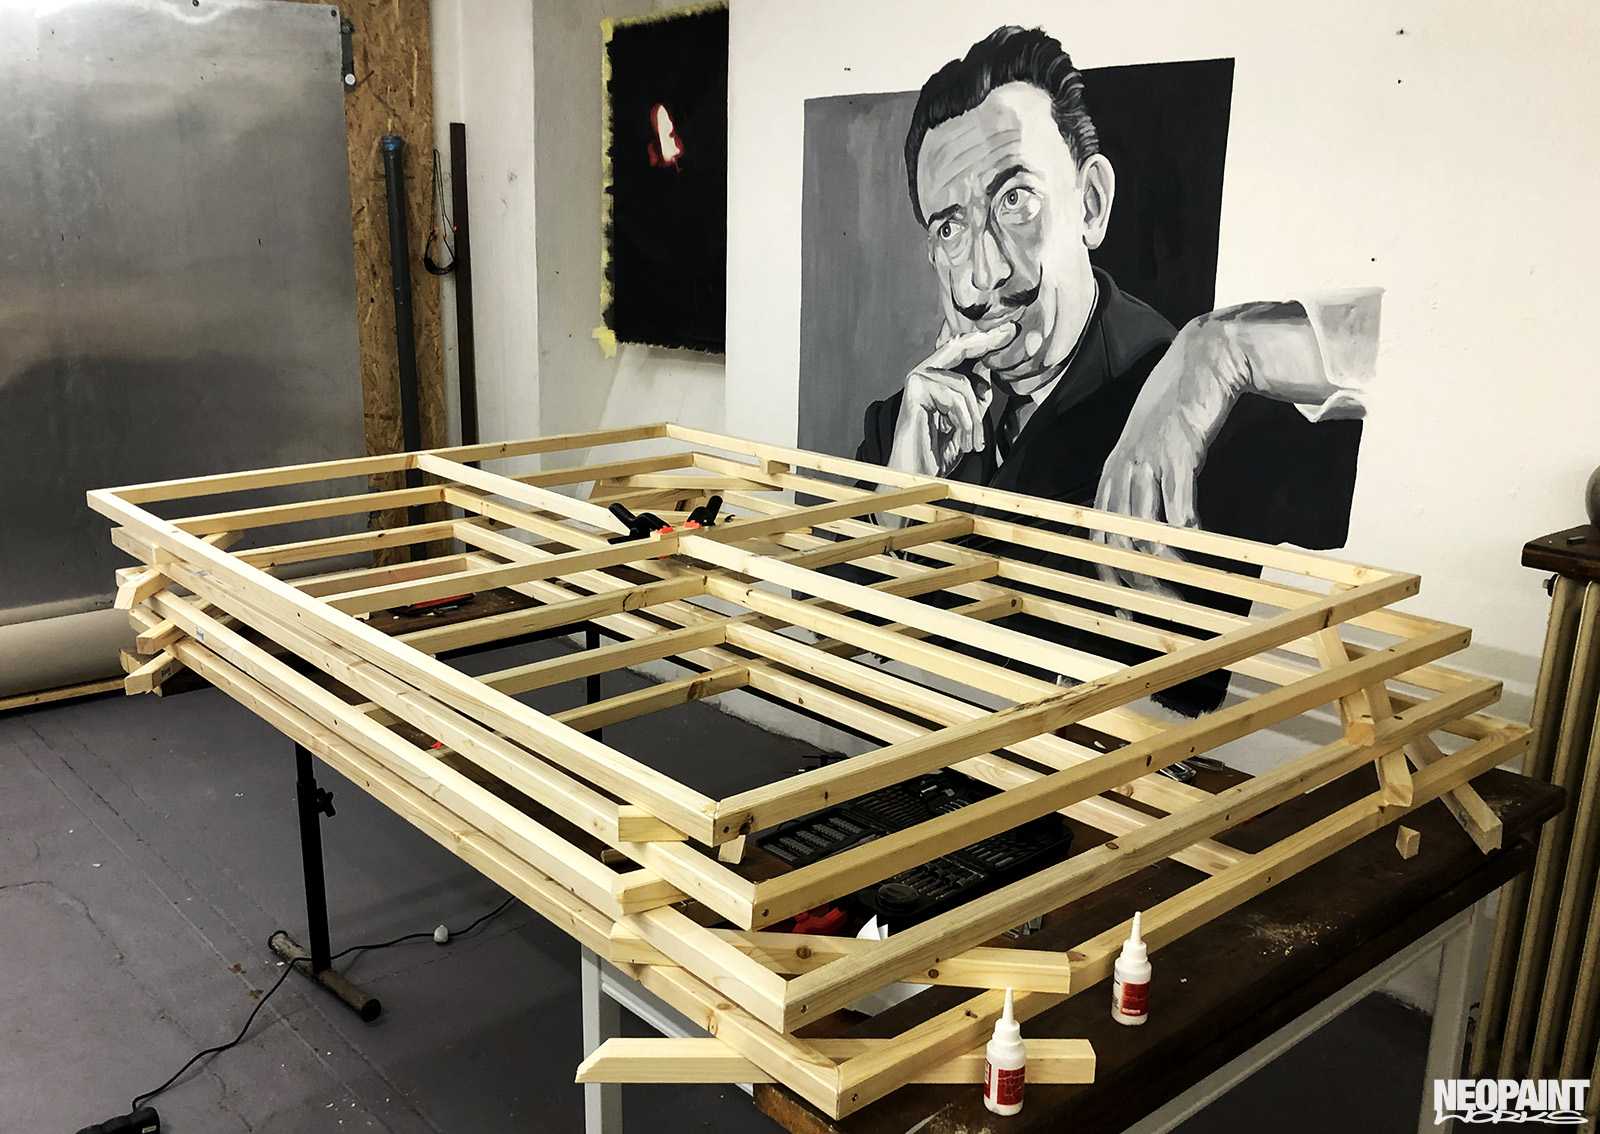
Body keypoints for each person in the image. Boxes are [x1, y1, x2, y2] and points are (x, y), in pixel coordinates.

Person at [855, 25, 1377, 712]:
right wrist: (898, 508)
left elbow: (1422, 355)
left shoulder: (1208, 416)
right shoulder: (900, 428)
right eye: (950, 229)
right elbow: (831, 653)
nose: (984, 276)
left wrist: (1224, 344)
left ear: (1091, 204)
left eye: (1015, 200)